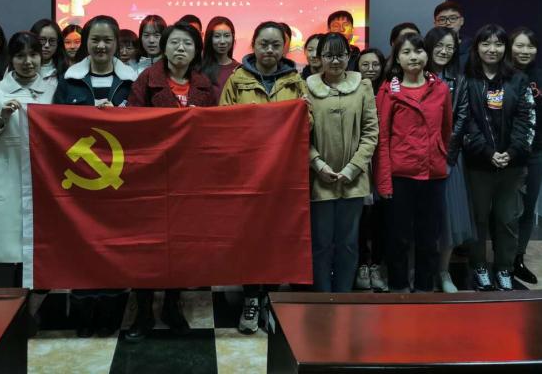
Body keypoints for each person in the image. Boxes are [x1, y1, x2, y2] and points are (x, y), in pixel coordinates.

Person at [219, 21, 308, 334]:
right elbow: (223, 123)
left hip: (283, 174)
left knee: (277, 236)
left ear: (284, 48)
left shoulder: (296, 81)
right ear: (253, 45)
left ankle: (269, 296)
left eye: (275, 45)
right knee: (250, 237)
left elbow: (307, 123)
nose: (269, 50)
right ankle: (251, 297)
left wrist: (301, 115)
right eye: (263, 44)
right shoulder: (237, 80)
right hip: (247, 175)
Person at [127, 21, 214, 341]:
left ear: (196, 51)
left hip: (188, 178)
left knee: (181, 246)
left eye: (188, 44)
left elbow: (216, 130)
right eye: (175, 42)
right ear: (164, 47)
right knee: (145, 247)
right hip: (150, 177)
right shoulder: (146, 80)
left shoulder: (204, 85)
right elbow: (131, 124)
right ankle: (143, 311)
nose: (181, 48)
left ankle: (172, 306)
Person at [54, 16, 138, 337]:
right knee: (82, 247)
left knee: (116, 248)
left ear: (117, 44)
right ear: (85, 43)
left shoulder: (132, 81)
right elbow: (56, 127)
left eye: (108, 40)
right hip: (81, 183)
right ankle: (83, 315)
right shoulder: (69, 81)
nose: (101, 46)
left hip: (121, 183)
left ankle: (111, 315)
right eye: (95, 40)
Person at [0, 32, 56, 284]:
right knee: (5, 256)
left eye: (33, 55)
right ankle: (2, 306)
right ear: (11, 59)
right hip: (6, 182)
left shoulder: (53, 90)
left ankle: (32, 306)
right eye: (20, 56)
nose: (28, 62)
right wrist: (0, 118)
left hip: (42, 182)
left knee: (38, 255)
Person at [375, 33, 452, 293]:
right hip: (400, 176)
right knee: (398, 238)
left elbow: (446, 129)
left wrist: (439, 154)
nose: (413, 57)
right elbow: (382, 138)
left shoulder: (440, 88)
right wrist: (384, 182)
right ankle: (398, 288)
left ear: (426, 55)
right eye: (406, 52)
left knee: (429, 238)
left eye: (418, 51)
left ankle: (424, 289)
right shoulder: (389, 90)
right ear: (397, 58)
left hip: (433, 175)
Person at [464, 24, 535, 292]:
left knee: (507, 219)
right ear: (477, 47)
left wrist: (511, 152)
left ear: (505, 48)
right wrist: (487, 152)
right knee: (478, 219)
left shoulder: (519, 80)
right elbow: (466, 121)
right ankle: (479, 266)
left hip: (511, 165)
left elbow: (526, 119)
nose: (492, 49)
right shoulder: (467, 79)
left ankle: (504, 268)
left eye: (498, 44)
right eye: (486, 43)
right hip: (478, 163)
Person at [307, 32, 379, 292]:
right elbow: (301, 135)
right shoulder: (306, 88)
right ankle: (323, 297)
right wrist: (318, 165)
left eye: (340, 55)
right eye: (329, 55)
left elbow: (371, 133)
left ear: (349, 57)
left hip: (354, 180)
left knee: (348, 243)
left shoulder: (363, 87)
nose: (335, 61)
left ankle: (343, 296)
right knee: (321, 244)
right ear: (319, 58)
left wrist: (352, 168)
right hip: (319, 179)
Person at [424, 26, 475, 293]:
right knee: (420, 219)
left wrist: (447, 154)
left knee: (449, 219)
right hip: (416, 158)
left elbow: (462, 118)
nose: (444, 51)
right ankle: (419, 271)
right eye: (439, 46)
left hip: (448, 157)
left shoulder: (459, 79)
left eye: (450, 47)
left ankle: (444, 272)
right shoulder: (414, 74)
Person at [508, 26, 542, 285]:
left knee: (528, 207)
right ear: (510, 47)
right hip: (510, 153)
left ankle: (518, 258)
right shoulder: (502, 75)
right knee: (507, 209)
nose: (525, 51)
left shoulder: (541, 77)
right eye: (519, 45)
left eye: (530, 46)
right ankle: (502, 259)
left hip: (538, 150)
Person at [352, 47, 388, 292]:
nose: (370, 69)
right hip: (359, 163)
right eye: (365, 65)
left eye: (375, 64)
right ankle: (362, 265)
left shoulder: (389, 91)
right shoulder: (352, 91)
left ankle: (376, 265)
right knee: (361, 220)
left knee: (381, 219)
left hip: (384, 163)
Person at [200, 16, 239, 101]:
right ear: (209, 39)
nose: (222, 41)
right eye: (217, 36)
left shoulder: (240, 70)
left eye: (227, 36)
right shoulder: (199, 69)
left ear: (233, 38)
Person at [434, 1, 471, 65]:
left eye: (453, 18)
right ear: (435, 24)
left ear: (462, 21)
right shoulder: (428, 48)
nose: (448, 23)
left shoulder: (472, 47)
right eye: (442, 19)